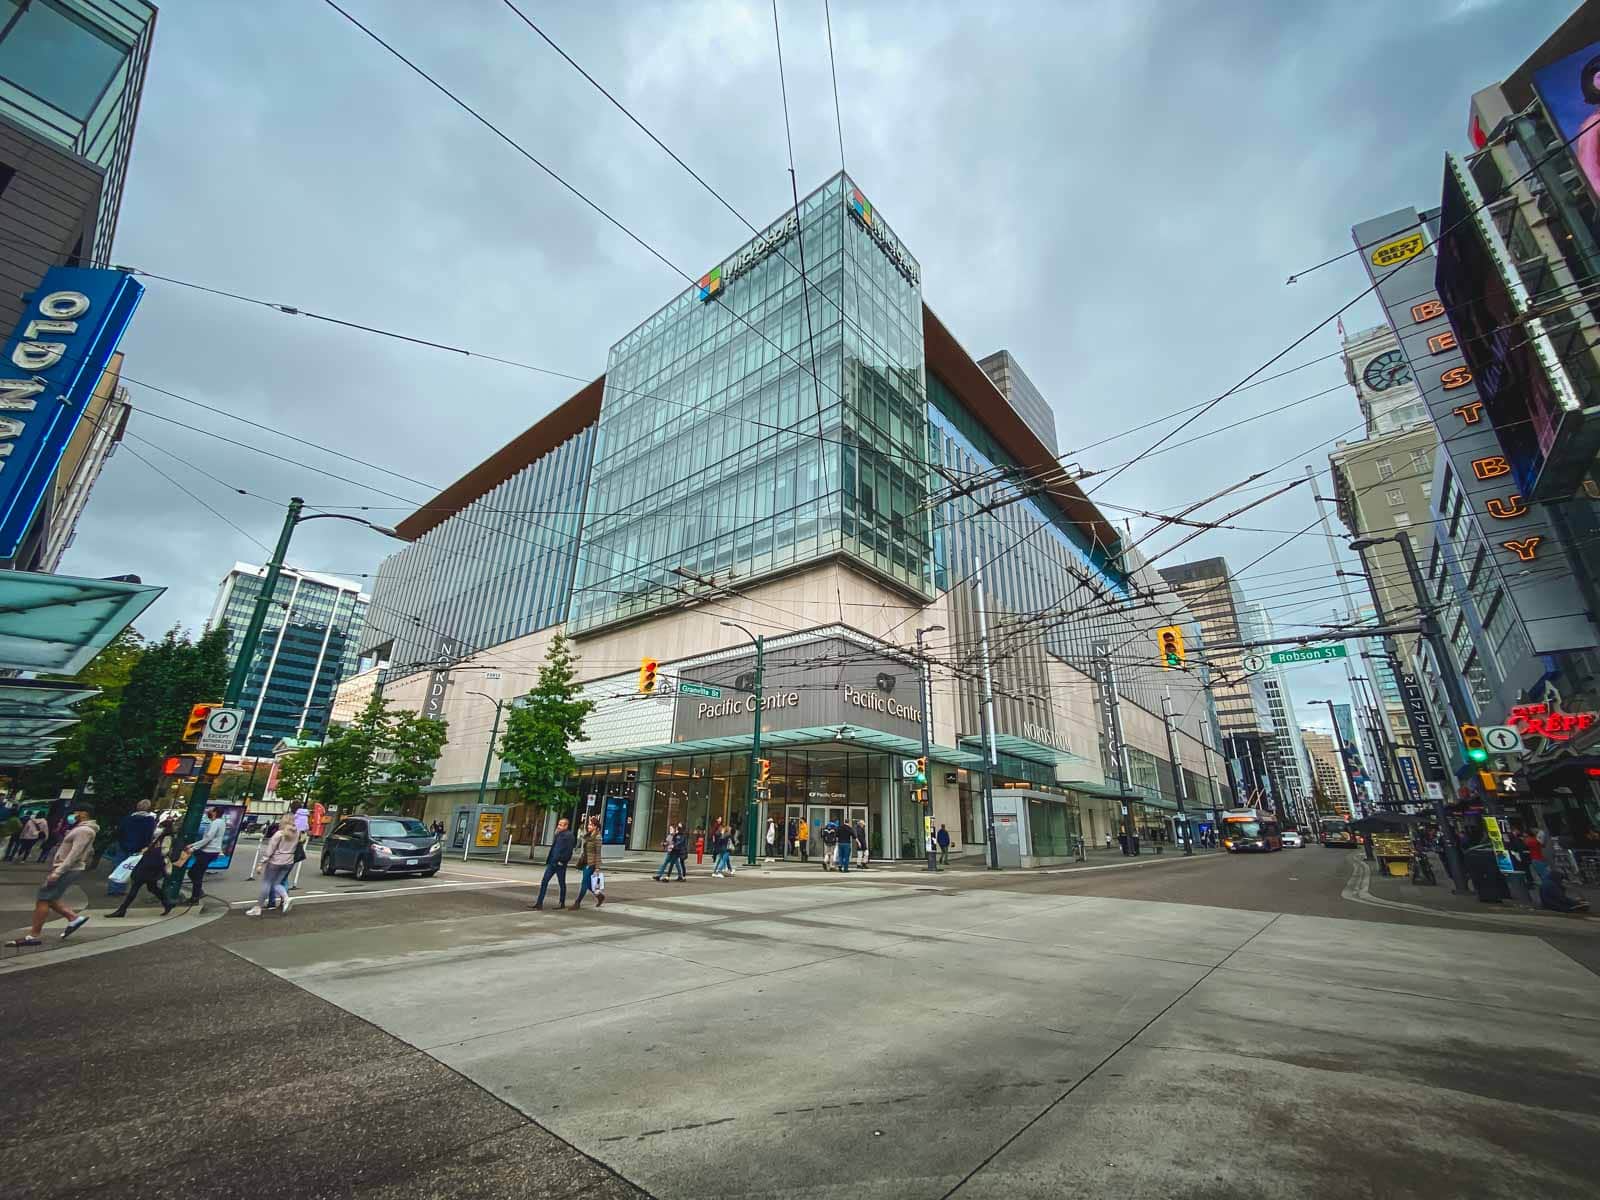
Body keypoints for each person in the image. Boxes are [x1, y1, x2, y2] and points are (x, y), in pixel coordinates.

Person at [7, 803, 98, 946]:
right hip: (68, 868)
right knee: (51, 897)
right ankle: (73, 918)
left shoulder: (84, 831)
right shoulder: (83, 829)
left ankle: (34, 935)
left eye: (75, 812)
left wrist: (58, 872)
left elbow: (75, 854)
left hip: (67, 869)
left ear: (84, 814)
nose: (72, 816)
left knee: (43, 898)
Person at [108, 819, 176, 918]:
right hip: (150, 866)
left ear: (165, 828)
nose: (158, 828)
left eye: (160, 827)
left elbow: (164, 851)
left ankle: (122, 910)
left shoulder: (166, 838)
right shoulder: (159, 837)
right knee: (152, 887)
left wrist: (150, 850)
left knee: (136, 886)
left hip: (150, 865)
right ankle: (167, 903)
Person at [246, 816, 299, 917]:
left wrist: (261, 863)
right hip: (289, 862)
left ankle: (258, 908)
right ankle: (286, 898)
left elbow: (270, 850)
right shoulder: (297, 834)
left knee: (267, 884)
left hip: (275, 862)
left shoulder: (279, 834)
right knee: (277, 883)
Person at [180, 807, 229, 904]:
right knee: (196, 873)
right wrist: (193, 845)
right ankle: (198, 893)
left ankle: (195, 897)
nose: (208, 812)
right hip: (212, 851)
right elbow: (207, 838)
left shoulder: (215, 823)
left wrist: (193, 848)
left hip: (208, 851)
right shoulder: (221, 822)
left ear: (215, 812)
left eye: (211, 810)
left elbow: (208, 838)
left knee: (195, 873)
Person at [534, 817, 575, 909]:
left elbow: (569, 851)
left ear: (566, 826)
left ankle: (562, 902)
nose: (558, 826)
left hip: (560, 864)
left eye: (561, 825)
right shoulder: (558, 834)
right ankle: (539, 903)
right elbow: (554, 848)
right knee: (544, 881)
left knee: (561, 883)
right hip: (552, 862)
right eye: (558, 824)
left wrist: (562, 861)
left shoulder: (569, 836)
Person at [574, 817, 604, 908]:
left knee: (584, 883)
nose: (588, 826)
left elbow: (598, 853)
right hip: (585, 862)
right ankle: (599, 896)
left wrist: (597, 868)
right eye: (588, 824)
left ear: (595, 826)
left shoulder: (598, 837)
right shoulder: (589, 835)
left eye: (591, 825)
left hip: (591, 864)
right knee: (588, 884)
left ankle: (577, 902)